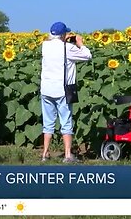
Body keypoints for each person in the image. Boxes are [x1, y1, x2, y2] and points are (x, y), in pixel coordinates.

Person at [40, 22, 92, 163]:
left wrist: (65, 41)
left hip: (46, 89)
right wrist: (79, 43)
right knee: (66, 121)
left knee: (48, 122)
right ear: (63, 34)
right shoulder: (68, 48)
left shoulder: (45, 46)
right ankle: (68, 155)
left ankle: (45, 153)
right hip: (62, 90)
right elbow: (87, 56)